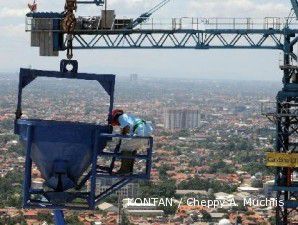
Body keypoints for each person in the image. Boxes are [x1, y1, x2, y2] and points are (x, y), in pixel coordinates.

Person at [110, 109, 153, 175]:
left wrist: (123, 137)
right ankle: (129, 170)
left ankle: (124, 170)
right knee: (132, 149)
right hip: (145, 134)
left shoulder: (121, 117)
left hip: (139, 133)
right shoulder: (128, 116)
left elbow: (126, 127)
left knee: (125, 149)